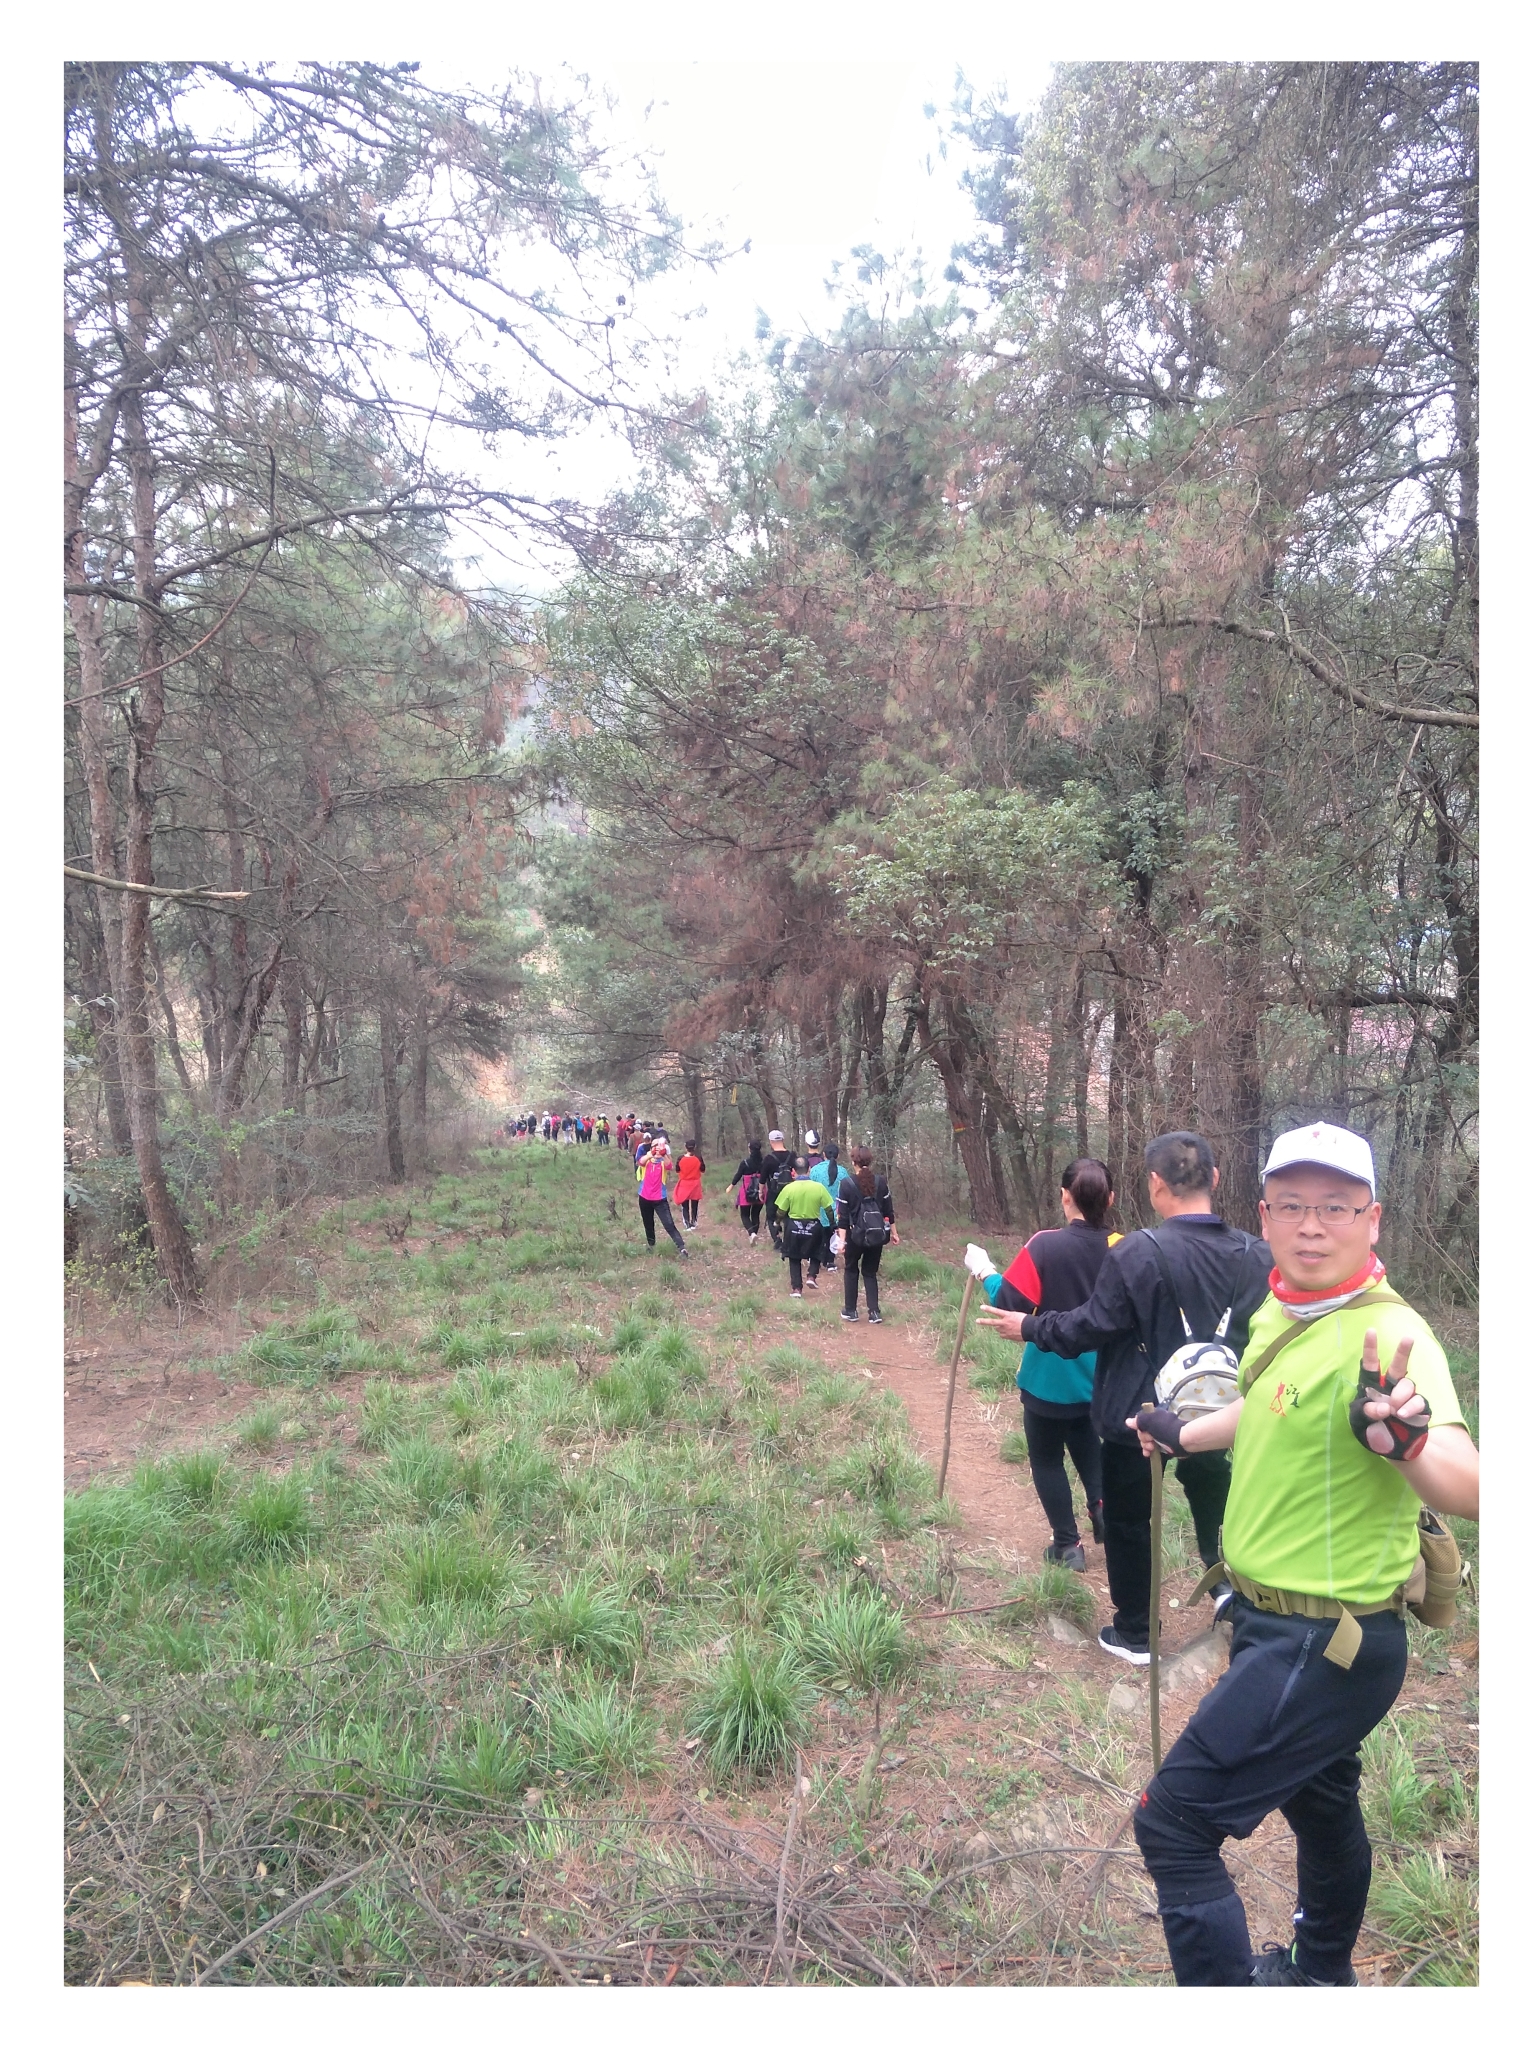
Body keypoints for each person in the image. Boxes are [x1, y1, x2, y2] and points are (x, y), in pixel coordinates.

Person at [1126, 1121, 1478, 1987]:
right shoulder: (1280, 1306)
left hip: (1325, 1643)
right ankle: (1322, 1977)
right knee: (1321, 1806)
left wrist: (1405, 1446)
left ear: (1372, 1219)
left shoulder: (1394, 1338)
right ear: (1264, 1216)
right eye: (1292, 1206)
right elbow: (1265, 1400)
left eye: (1334, 1207)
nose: (1312, 1226)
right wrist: (1185, 1432)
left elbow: (1471, 1484)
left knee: (1172, 1824)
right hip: (1269, 1623)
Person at [993, 1132, 1272, 1664]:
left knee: (1129, 1520)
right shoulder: (1256, 1255)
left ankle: (1137, 1633)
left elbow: (1088, 1327)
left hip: (1135, 1414)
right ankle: (1230, 1595)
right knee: (1217, 1502)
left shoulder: (1137, 1252)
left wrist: (1031, 1326)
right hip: (1219, 1410)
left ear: (1154, 1184)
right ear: (1214, 1179)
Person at [971, 1159, 1119, 1571]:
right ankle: (1104, 1511)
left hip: (1047, 1379)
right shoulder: (1126, 1248)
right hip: (1101, 1381)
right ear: (1110, 1199)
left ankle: (1068, 1545)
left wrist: (985, 1270)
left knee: (1047, 1460)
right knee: (1089, 1443)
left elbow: (1008, 1305)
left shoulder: (1044, 1245)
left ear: (1064, 1196)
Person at [835, 1146, 896, 1323]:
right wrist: (894, 1233)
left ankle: (851, 1311)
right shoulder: (881, 1182)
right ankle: (874, 1312)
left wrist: (842, 1241)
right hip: (877, 1235)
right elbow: (888, 1211)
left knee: (851, 1270)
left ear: (853, 1161)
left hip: (855, 1236)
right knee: (870, 1272)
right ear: (870, 1161)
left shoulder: (846, 1184)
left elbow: (843, 1217)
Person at [774, 1157, 836, 1298]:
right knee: (816, 1252)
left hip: (793, 1227)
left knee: (794, 1257)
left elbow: (781, 1211)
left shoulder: (788, 1188)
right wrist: (833, 1224)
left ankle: (796, 1289)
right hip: (814, 1226)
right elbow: (829, 1209)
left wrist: (777, 1223)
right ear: (809, 1170)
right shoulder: (819, 1187)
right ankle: (811, 1276)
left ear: (793, 1172)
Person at [635, 1134, 689, 1259]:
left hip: (659, 1199)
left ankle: (682, 1247)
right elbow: (640, 1162)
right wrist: (651, 1153)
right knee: (648, 1223)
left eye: (661, 1146)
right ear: (651, 1147)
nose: (658, 1148)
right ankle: (651, 1245)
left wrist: (663, 1154)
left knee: (669, 1224)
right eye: (655, 1146)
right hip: (644, 1197)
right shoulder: (647, 1159)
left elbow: (669, 1165)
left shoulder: (664, 1163)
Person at [811, 1141, 855, 1272]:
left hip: (819, 1209)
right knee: (832, 1235)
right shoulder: (843, 1172)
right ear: (838, 1156)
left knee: (820, 1236)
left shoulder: (815, 1170)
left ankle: (818, 1259)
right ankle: (830, 1261)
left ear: (823, 1154)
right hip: (837, 1210)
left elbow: (812, 1190)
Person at [761, 1129, 796, 1253]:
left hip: (774, 1192)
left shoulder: (768, 1158)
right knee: (788, 1216)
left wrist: (761, 1192)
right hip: (791, 1191)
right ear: (782, 1140)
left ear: (771, 1141)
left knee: (771, 1217)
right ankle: (787, 1242)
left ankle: (777, 1241)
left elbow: (762, 1178)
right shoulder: (792, 1156)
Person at [728, 1138, 767, 1241]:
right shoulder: (764, 1163)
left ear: (750, 1149)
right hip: (760, 1191)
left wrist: (731, 1186)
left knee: (744, 1215)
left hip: (746, 1192)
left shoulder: (745, 1163)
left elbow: (738, 1176)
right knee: (755, 1214)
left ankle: (752, 1234)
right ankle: (754, 1234)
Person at [674, 1140, 706, 1229]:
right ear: (695, 1147)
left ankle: (687, 1224)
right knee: (695, 1203)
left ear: (685, 1147)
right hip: (695, 1183)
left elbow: (677, 1170)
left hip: (684, 1183)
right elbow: (703, 1170)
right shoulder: (698, 1158)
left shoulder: (680, 1158)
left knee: (685, 1205)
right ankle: (694, 1222)